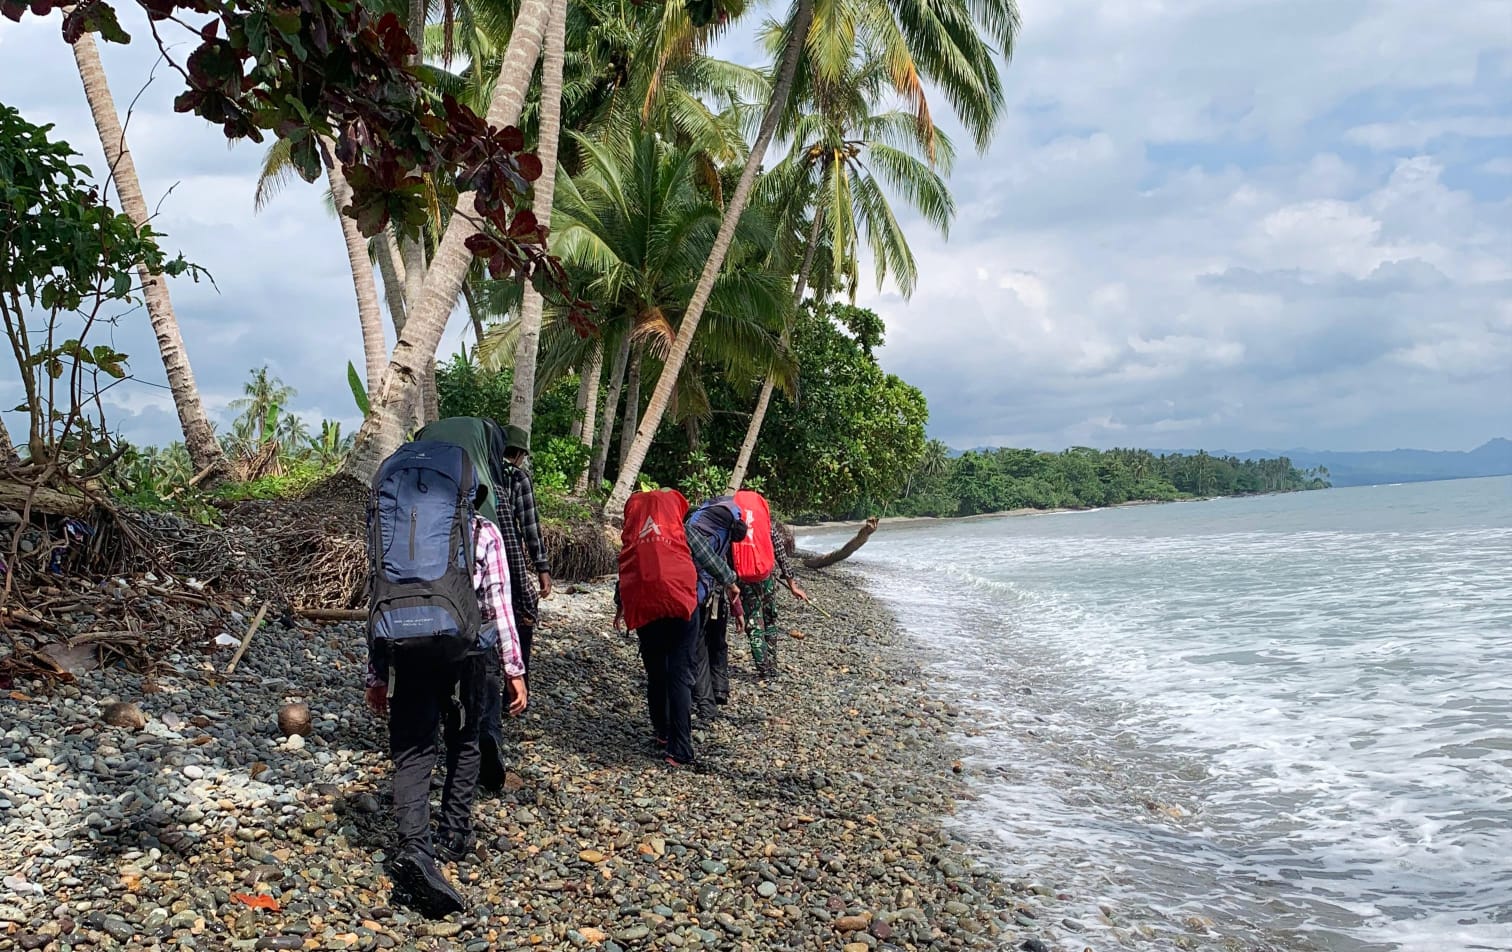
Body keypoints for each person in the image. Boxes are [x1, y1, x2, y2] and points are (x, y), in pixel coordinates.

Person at [365, 483, 527, 917]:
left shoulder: (392, 526)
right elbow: (498, 603)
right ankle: (454, 834)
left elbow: (376, 597)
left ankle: (415, 847)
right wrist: (513, 668)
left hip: (404, 649)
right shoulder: (483, 530)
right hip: (465, 653)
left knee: (412, 750)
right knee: (465, 740)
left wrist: (375, 673)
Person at [415, 416, 537, 788]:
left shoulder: (414, 493)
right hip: (473, 613)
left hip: (419, 612)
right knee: (484, 670)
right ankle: (485, 737)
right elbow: (512, 551)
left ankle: (423, 746)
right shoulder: (492, 486)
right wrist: (515, 665)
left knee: (426, 675)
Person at [615, 490, 743, 767]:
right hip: (681, 606)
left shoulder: (635, 533)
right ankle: (680, 749)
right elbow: (711, 560)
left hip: (646, 609)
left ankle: (662, 732)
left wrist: (620, 607)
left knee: (656, 673)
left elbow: (626, 568)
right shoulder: (682, 530)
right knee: (680, 675)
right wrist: (731, 582)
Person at [686, 497, 748, 722]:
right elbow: (728, 573)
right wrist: (738, 610)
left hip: (697, 594)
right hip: (714, 595)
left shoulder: (693, 527)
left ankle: (704, 703)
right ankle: (719, 690)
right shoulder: (725, 535)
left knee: (699, 647)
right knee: (718, 642)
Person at [498, 424, 552, 678]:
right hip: (507, 556)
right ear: (519, 454)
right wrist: (542, 568)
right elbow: (529, 526)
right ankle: (518, 683)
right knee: (524, 610)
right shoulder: (517, 478)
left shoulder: (480, 471)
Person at [741, 515, 807, 678]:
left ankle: (763, 668)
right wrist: (793, 586)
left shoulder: (736, 522)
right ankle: (772, 666)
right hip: (766, 579)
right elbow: (781, 557)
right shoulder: (766, 524)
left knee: (754, 623)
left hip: (744, 579)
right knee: (769, 620)